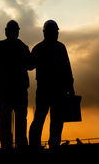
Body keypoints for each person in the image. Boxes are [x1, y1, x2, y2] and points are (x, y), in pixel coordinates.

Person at [0, 20, 31, 149]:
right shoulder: (22, 47)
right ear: (17, 32)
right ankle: (20, 145)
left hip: (5, 88)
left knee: (5, 118)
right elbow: (31, 65)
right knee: (19, 118)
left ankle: (7, 146)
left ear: (6, 31)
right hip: (18, 88)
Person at [28, 20, 75, 149]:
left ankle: (36, 145)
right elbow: (67, 69)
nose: (56, 34)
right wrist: (71, 89)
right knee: (52, 119)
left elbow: (30, 66)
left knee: (48, 119)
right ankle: (50, 145)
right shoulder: (59, 47)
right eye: (55, 32)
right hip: (53, 90)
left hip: (48, 90)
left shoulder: (40, 48)